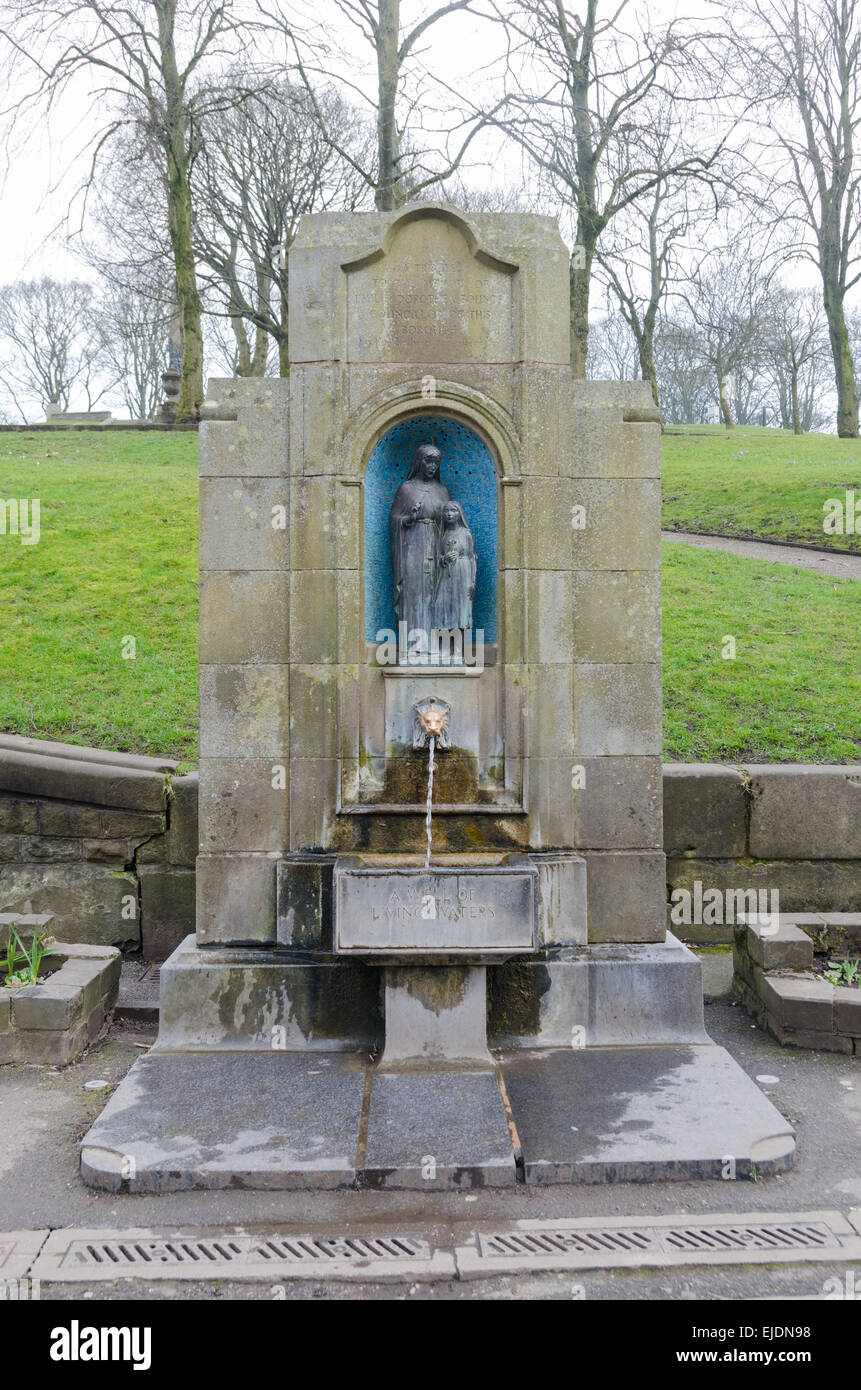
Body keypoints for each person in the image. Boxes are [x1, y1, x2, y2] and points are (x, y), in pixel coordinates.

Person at [388, 444, 451, 648]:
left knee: (437, 591)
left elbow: (450, 520)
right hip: (412, 545)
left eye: (436, 462)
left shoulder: (442, 491)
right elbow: (394, 519)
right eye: (428, 461)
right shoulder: (406, 489)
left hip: (436, 544)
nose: (432, 466)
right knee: (413, 591)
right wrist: (408, 519)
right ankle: (413, 644)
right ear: (419, 462)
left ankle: (437, 644)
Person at [434, 500, 476, 631]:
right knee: (442, 604)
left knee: (461, 607)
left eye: (453, 510)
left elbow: (472, 558)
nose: (449, 514)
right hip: (446, 575)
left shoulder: (466, 534)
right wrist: (444, 559)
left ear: (459, 514)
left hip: (463, 574)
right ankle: (446, 638)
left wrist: (473, 581)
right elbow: (438, 558)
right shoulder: (443, 535)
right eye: (446, 511)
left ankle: (459, 640)